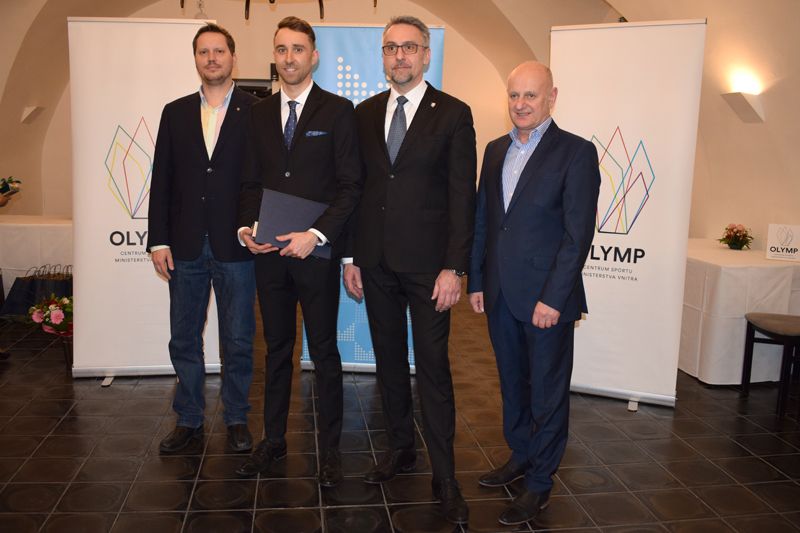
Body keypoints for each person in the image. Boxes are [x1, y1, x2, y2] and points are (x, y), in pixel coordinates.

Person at [343, 15, 476, 525]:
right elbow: (356, 190)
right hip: (375, 263)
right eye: (390, 48)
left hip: (429, 270)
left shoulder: (454, 114)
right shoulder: (364, 113)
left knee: (434, 370)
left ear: (426, 54)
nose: (399, 56)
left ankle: (445, 477)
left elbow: (462, 198)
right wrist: (352, 257)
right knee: (390, 364)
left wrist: (454, 267)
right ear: (382, 56)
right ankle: (401, 450)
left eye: (409, 47)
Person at [467, 61, 600, 526]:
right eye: (514, 95)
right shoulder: (494, 150)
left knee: (547, 393)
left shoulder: (576, 153)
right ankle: (521, 455)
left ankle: (540, 482)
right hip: (500, 293)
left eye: (530, 95)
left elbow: (577, 235)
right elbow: (484, 221)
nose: (520, 104)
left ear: (551, 98)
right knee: (512, 384)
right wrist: (477, 281)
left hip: (547, 300)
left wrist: (554, 298)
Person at [235, 16, 361, 488]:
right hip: (269, 254)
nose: (289, 58)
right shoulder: (258, 113)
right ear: (275, 56)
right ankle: (273, 440)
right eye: (282, 49)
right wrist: (246, 227)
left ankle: (329, 452)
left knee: (324, 352)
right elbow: (251, 183)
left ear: (314, 56)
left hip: (316, 255)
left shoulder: (339, 111)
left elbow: (350, 186)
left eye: (298, 49)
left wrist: (316, 234)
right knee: (277, 350)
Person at [147, 23, 257, 455]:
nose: (212, 58)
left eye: (219, 51)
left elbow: (260, 180)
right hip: (185, 245)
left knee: (239, 340)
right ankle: (189, 419)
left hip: (237, 247)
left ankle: (236, 417)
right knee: (184, 338)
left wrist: (254, 224)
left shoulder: (256, 111)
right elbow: (162, 179)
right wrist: (158, 240)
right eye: (204, 52)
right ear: (195, 59)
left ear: (233, 57)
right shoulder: (174, 112)